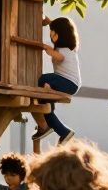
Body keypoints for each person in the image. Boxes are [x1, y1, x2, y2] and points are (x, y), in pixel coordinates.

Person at [32, 16, 81, 145]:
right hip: (65, 81)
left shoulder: (65, 50)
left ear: (61, 34)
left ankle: (48, 90)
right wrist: (49, 21)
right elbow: (57, 25)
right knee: (47, 110)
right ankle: (64, 132)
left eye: (53, 34)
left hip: (69, 82)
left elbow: (60, 58)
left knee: (43, 78)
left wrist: (47, 49)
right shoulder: (62, 48)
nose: (51, 37)